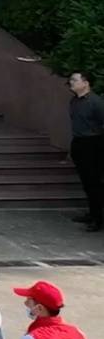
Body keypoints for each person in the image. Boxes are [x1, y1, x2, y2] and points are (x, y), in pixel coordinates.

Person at [72, 72, 104, 231]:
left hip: (93, 143)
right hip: (78, 142)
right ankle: (92, 213)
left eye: (74, 80)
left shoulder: (96, 102)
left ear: (86, 83)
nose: (71, 82)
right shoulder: (74, 101)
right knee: (86, 181)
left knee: (94, 182)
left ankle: (98, 218)